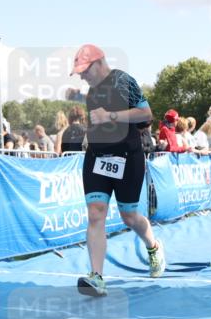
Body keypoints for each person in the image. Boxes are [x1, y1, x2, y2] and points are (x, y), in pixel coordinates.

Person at [68, 43, 164, 296]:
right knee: (96, 213)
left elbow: (146, 115)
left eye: (84, 70)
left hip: (128, 158)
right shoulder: (90, 92)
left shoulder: (123, 80)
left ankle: (153, 247)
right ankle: (97, 277)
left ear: (99, 63)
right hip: (98, 158)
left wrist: (111, 116)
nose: (81, 75)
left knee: (129, 217)